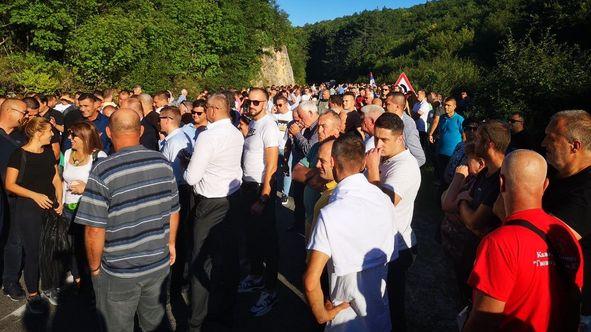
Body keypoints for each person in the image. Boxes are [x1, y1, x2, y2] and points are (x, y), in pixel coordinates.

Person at [74, 110, 179, 331]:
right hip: (157, 263)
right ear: (140, 131)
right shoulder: (162, 162)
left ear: (109, 133)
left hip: (118, 270)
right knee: (156, 323)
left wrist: (94, 269)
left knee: (117, 326)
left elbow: (94, 229)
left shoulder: (103, 171)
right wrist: (170, 244)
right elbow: (173, 210)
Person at [464, 150, 583, 331]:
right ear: (545, 185)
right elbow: (575, 304)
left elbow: (483, 321)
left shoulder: (500, 243)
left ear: (501, 183)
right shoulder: (566, 235)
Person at [304, 134, 396, 331]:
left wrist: (322, 315)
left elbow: (311, 281)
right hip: (379, 315)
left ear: (333, 162)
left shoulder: (330, 214)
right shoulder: (385, 202)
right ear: (364, 163)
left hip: (345, 320)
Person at [184, 93, 243, 331]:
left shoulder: (208, 137)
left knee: (202, 260)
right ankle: (225, 312)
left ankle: (197, 320)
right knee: (228, 259)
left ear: (214, 110)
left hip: (209, 202)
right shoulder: (237, 133)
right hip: (232, 198)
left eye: (206, 108)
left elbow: (191, 177)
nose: (204, 112)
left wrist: (189, 164)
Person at [365, 112, 421, 331]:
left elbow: (383, 204)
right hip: (385, 244)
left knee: (392, 306)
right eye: (376, 137)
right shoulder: (387, 159)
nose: (379, 144)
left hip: (397, 248)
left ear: (400, 139)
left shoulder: (405, 166)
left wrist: (371, 168)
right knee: (382, 302)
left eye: (385, 140)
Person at [5, 117, 63, 312]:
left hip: (50, 208)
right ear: (38, 133)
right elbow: (10, 184)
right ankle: (33, 294)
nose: (52, 135)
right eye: (49, 132)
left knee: (51, 250)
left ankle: (49, 286)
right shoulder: (19, 154)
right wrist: (34, 195)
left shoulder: (47, 153)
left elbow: (56, 177)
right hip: (28, 210)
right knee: (33, 252)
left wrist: (60, 200)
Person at [541, 110, 591, 322]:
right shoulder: (551, 173)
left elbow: (547, 238)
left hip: (576, 307)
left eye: (551, 138)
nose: (543, 143)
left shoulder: (588, 189)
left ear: (575, 146)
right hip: (546, 292)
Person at [238, 87, 280, 316]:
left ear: (265, 103)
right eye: (249, 101)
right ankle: (255, 276)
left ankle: (270, 290)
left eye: (256, 102)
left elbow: (272, 165)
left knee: (267, 242)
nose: (251, 105)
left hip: (260, 189)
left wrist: (264, 196)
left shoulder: (269, 126)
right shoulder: (253, 124)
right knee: (252, 237)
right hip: (248, 186)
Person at [61, 121, 106, 290]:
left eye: (74, 135)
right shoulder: (67, 153)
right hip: (68, 208)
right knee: (72, 246)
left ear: (85, 137)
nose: (70, 138)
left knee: (89, 246)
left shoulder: (99, 156)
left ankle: (92, 279)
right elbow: (62, 179)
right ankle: (78, 276)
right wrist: (61, 201)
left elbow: (105, 186)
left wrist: (85, 188)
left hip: (88, 210)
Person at [440, 142, 485, 302]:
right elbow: (444, 198)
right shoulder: (471, 179)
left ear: (480, 163)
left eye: (468, 160)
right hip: (456, 246)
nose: (464, 164)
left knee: (464, 289)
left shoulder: (476, 182)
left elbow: (446, 204)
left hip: (464, 247)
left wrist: (458, 177)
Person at [158, 106, 194, 295]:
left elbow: (174, 173)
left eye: (160, 118)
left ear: (168, 119)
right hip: (176, 190)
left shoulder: (177, 141)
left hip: (177, 191)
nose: (158, 121)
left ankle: (177, 279)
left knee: (178, 237)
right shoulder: (173, 139)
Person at [292, 111, 342, 238]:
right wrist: (317, 175)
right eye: (318, 126)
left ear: (336, 130)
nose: (319, 131)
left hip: (325, 221)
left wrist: (310, 175)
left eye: (323, 126)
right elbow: (296, 172)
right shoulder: (316, 147)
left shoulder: (341, 150)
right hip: (309, 217)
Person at [0, 99, 28, 301]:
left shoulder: (24, 138)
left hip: (16, 197)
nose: (26, 117)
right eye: (23, 112)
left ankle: (10, 280)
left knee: (14, 240)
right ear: (9, 111)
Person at [383, 92, 426, 166]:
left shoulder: (407, 125)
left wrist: (402, 171)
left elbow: (420, 158)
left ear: (397, 107)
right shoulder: (390, 120)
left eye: (387, 104)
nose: (384, 106)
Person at [435, 97, 464, 184]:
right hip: (441, 151)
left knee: (451, 177)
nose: (446, 107)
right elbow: (441, 132)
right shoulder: (442, 118)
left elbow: (464, 135)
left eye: (448, 105)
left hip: (453, 154)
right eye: (445, 105)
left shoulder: (460, 119)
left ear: (454, 106)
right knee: (441, 173)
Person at [273, 95, 293, 204]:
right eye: (276, 105)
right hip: (275, 147)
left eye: (280, 105)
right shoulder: (274, 116)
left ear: (286, 104)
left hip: (286, 147)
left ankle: (285, 194)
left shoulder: (291, 115)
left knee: (287, 171)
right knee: (274, 170)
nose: (278, 107)